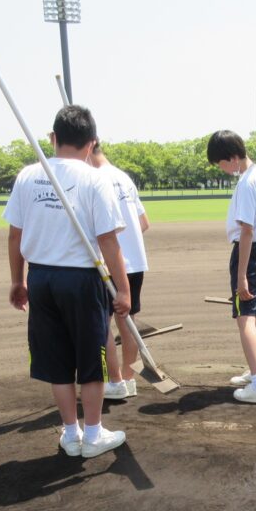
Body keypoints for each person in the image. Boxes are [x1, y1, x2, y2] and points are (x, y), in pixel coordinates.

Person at [3, 105, 131, 458]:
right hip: (82, 278)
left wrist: (18, 280)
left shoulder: (28, 176)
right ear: (91, 144)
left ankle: (70, 433)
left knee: (57, 361)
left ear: (53, 138)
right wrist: (123, 288)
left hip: (41, 278)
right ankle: (92, 435)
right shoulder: (95, 179)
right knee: (92, 359)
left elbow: (15, 236)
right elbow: (109, 240)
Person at [206, 129, 256, 404]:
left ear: (232, 157)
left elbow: (246, 231)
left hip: (251, 252)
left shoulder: (248, 183)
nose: (222, 169)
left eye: (221, 163)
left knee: (244, 317)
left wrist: (242, 276)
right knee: (254, 316)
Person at [87, 141, 151, 400]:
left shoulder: (93, 180)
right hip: (135, 261)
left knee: (101, 324)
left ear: (88, 150)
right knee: (128, 320)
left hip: (110, 263)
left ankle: (115, 382)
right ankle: (128, 379)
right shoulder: (124, 178)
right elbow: (144, 223)